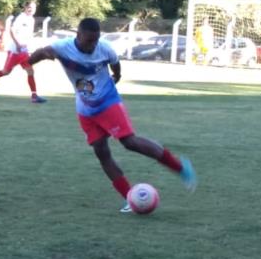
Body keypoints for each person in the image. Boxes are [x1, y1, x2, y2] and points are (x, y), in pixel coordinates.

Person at [27, 17, 198, 213]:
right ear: (78, 35)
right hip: (85, 109)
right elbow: (39, 53)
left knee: (129, 142)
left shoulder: (105, 49)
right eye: (89, 40)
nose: (93, 45)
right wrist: (30, 63)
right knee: (101, 152)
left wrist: (115, 77)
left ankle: (180, 168)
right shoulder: (62, 47)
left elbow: (116, 66)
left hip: (108, 102)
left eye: (96, 40)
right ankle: (129, 198)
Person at [0, 0, 46, 103]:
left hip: (24, 51)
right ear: (25, 7)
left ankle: (34, 96)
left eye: (33, 8)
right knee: (5, 72)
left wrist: (27, 46)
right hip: (15, 51)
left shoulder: (31, 19)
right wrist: (17, 44)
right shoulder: (21, 18)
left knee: (30, 71)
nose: (31, 10)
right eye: (29, 7)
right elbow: (11, 31)